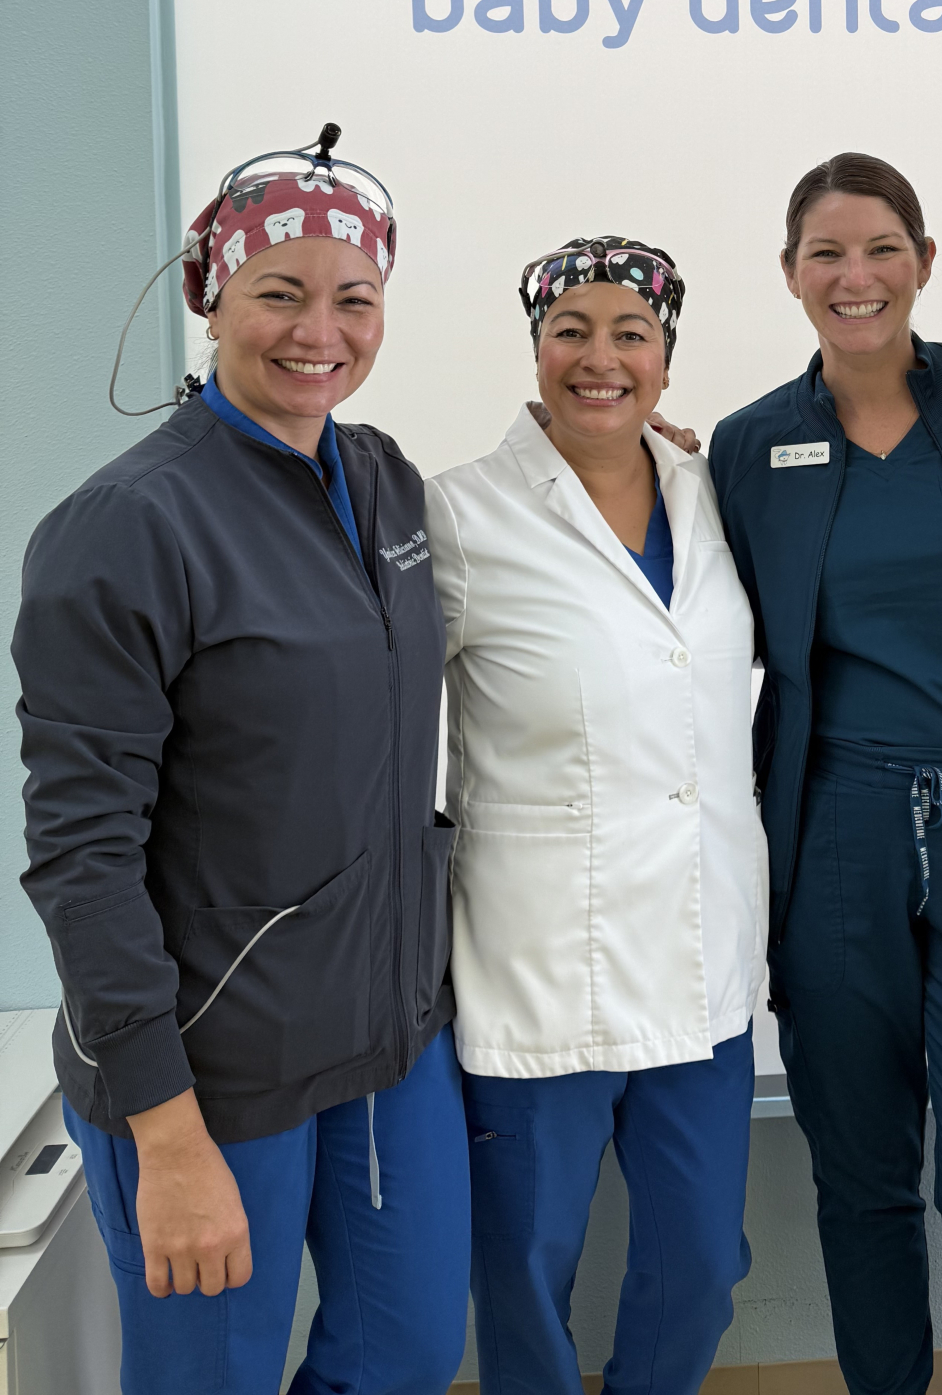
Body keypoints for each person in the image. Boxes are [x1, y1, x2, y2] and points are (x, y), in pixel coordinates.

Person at [12, 127, 469, 1395]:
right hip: (208, 1078)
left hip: (386, 1045)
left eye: (353, 299)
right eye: (280, 293)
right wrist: (165, 1133)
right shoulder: (123, 529)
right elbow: (80, 859)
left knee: (408, 1357)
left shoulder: (381, 482)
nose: (318, 330)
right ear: (213, 294)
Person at [709, 154, 942, 1395]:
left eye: (880, 249)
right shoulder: (751, 446)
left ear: (924, 261)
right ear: (789, 275)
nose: (855, 276)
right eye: (826, 253)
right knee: (863, 1187)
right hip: (832, 837)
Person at [425, 236, 766, 1395]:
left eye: (631, 333)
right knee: (523, 1269)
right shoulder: (459, 517)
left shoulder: (714, 494)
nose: (600, 358)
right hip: (538, 966)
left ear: (667, 357)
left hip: (699, 958)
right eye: (571, 329)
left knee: (705, 1262)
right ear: (534, 348)